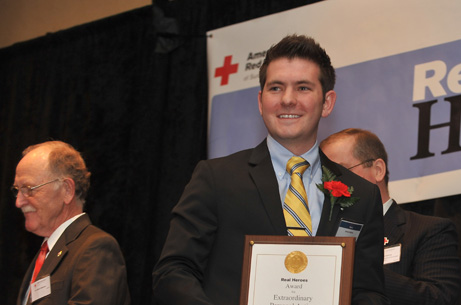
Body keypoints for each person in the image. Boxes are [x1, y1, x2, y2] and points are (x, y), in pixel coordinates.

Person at [152, 35, 388, 305]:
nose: (288, 100)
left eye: (303, 88)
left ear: (327, 103)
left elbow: (368, 291)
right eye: (276, 88)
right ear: (260, 100)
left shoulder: (363, 195)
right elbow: (173, 271)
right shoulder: (216, 178)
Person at [321, 128, 461, 305]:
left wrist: (359, 267)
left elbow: (439, 297)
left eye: (340, 171)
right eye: (324, 175)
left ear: (378, 170)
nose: (330, 183)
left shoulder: (428, 230)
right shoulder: (323, 234)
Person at [13, 141, 130, 305]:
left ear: (67, 190)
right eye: (17, 190)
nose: (19, 202)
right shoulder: (45, 254)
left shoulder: (95, 248)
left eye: (29, 189)